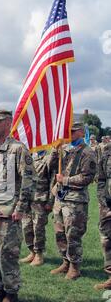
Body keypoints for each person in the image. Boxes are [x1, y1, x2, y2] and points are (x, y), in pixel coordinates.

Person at [0, 109, 35, 302]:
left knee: (7, 254)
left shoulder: (18, 149)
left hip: (9, 211)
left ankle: (11, 293)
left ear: (8, 123)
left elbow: (29, 181)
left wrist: (21, 207)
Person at [51, 122, 97, 280]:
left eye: (72, 131)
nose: (68, 134)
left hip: (75, 201)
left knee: (73, 235)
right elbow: (51, 167)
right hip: (61, 197)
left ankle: (75, 266)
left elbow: (87, 177)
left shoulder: (87, 152)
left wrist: (66, 180)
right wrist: (54, 150)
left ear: (81, 132)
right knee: (59, 233)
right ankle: (65, 261)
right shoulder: (64, 149)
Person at [20, 149, 56, 266]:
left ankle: (39, 254)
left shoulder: (49, 157)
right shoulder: (30, 155)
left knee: (38, 228)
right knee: (26, 226)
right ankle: (31, 251)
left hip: (40, 198)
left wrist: (50, 201)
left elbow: (53, 180)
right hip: (27, 197)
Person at [94, 141, 111, 290]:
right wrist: (104, 204)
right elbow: (101, 180)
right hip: (107, 206)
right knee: (106, 240)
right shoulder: (106, 154)